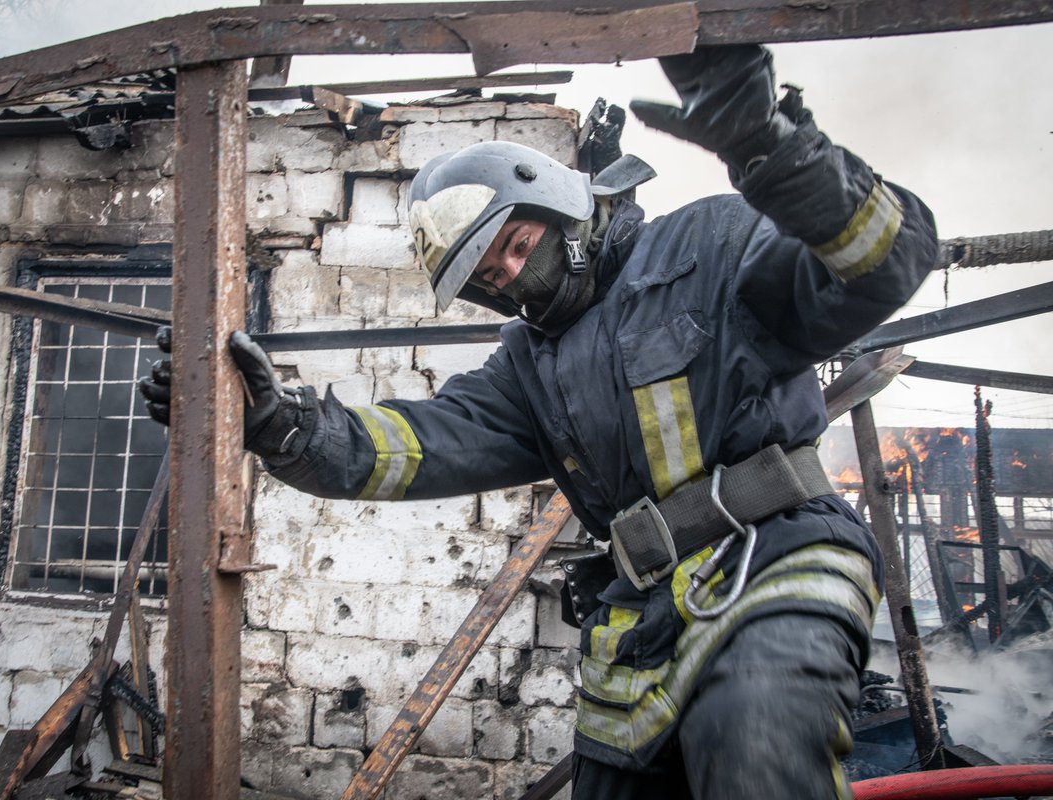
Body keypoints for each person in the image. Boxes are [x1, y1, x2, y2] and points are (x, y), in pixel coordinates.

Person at [141, 44, 938, 799]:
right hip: (644, 619)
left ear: (554, 201)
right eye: (492, 276)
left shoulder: (712, 244)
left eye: (517, 245)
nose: (515, 278)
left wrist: (771, 149)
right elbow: (415, 445)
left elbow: (881, 263)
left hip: (779, 564)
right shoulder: (530, 367)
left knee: (757, 736)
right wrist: (282, 426)